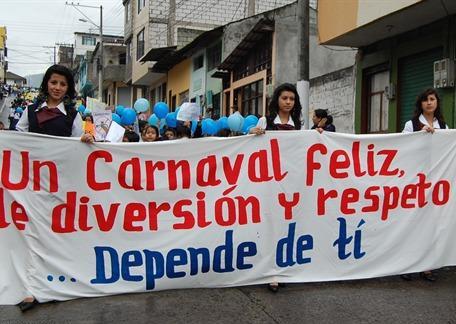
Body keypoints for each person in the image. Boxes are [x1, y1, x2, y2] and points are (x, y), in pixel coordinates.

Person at [248, 83, 303, 292]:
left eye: (292, 99)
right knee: (270, 224)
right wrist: (253, 132)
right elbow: (250, 143)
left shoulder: (299, 123)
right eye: (284, 98)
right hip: (269, 180)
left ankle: (283, 267)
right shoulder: (266, 121)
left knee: (287, 225)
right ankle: (271, 271)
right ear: (277, 100)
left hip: (291, 181)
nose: (288, 102)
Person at [400, 88, 448, 282]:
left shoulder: (443, 126)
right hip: (414, 179)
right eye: (425, 100)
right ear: (420, 104)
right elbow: (402, 145)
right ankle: (406, 264)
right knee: (412, 222)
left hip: (435, 180)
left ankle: (427, 266)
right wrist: (419, 134)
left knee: (431, 224)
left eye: (432, 99)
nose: (429, 103)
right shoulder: (411, 124)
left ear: (437, 103)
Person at [16, 64, 92, 143]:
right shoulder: (30, 111)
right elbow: (17, 139)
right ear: (46, 84)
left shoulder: (74, 116)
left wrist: (85, 140)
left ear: (67, 88)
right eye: (53, 82)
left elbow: (78, 144)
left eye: (63, 84)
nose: (57, 88)